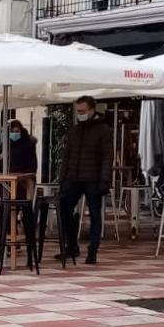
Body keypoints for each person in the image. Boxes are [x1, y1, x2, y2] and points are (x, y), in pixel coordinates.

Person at [58, 96, 113, 264]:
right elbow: (67, 155)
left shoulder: (103, 130)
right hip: (73, 177)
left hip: (93, 178)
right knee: (64, 208)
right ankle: (72, 246)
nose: (79, 114)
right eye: (78, 111)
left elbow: (107, 156)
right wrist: (63, 177)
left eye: (82, 111)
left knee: (95, 214)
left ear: (91, 110)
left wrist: (104, 180)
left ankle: (93, 251)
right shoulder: (75, 130)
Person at [7, 119, 37, 198]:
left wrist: (22, 174)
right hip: (10, 177)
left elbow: (33, 165)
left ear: (21, 131)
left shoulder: (28, 145)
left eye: (16, 132)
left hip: (25, 177)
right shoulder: (7, 144)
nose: (14, 134)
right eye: (12, 132)